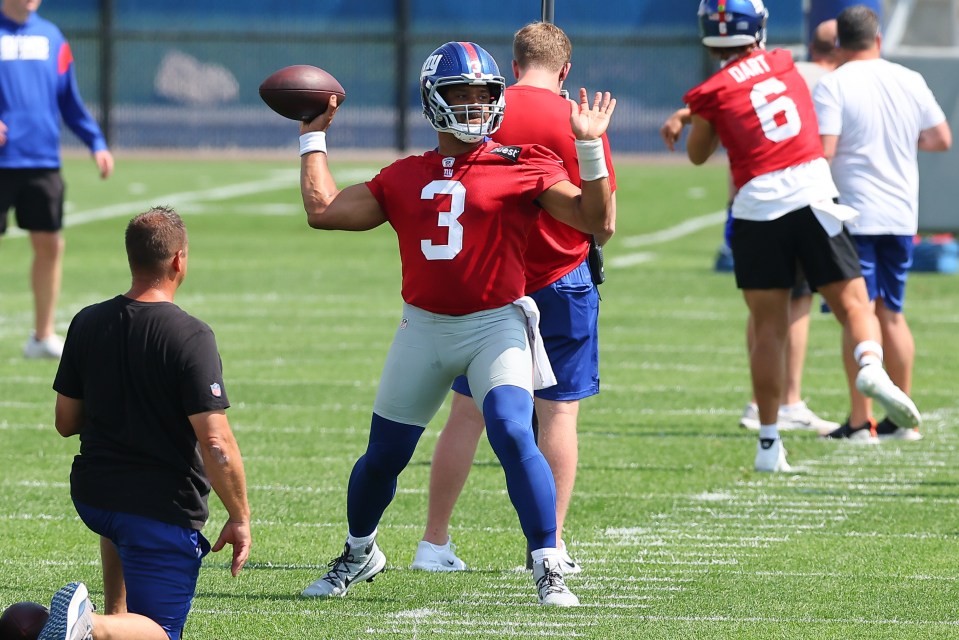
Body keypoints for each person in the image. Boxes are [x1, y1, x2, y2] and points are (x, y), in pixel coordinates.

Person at [295, 41, 615, 606]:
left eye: (482, 95)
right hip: (423, 328)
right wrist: (312, 135)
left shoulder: (525, 162)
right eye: (458, 95)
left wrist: (589, 151)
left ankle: (547, 562)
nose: (471, 106)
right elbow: (323, 211)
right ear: (432, 101)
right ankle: (359, 550)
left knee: (516, 430)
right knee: (383, 457)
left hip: (497, 324)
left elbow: (595, 220)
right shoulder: (403, 175)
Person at [659, 0, 921, 472]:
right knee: (856, 306)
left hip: (758, 207)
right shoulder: (782, 60)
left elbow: (701, 152)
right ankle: (869, 366)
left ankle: (767, 443)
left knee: (769, 330)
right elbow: (758, 82)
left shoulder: (709, 92)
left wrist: (690, 115)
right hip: (813, 192)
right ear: (758, 25)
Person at [410, 21, 617, 576]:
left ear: (513, 61)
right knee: (558, 412)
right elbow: (604, 223)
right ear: (566, 70)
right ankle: (547, 546)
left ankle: (433, 541)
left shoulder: (487, 104)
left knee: (467, 411)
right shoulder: (573, 117)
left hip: (488, 277)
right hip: (562, 277)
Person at [41, 207, 251, 640]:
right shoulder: (191, 336)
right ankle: (91, 625)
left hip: (96, 496)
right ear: (178, 260)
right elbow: (215, 442)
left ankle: (107, 616)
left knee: (123, 520)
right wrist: (240, 516)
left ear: (131, 258)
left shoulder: (87, 321)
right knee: (160, 632)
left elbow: (65, 422)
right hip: (159, 508)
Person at [813, 4, 952, 441]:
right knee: (891, 312)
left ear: (839, 45)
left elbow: (827, 149)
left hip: (853, 212)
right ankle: (901, 419)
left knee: (857, 314)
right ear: (878, 40)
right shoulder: (910, 79)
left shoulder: (833, 83)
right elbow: (939, 138)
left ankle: (860, 422)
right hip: (900, 212)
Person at [737, 18, 841, 434]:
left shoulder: (780, 70)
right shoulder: (824, 80)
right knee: (797, 304)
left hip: (751, 200)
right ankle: (786, 401)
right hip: (800, 199)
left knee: (764, 309)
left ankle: (762, 402)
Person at [0, 0, 114, 360]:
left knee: (51, 246)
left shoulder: (52, 36)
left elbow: (69, 99)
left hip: (42, 161)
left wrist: (95, 141)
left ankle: (42, 336)